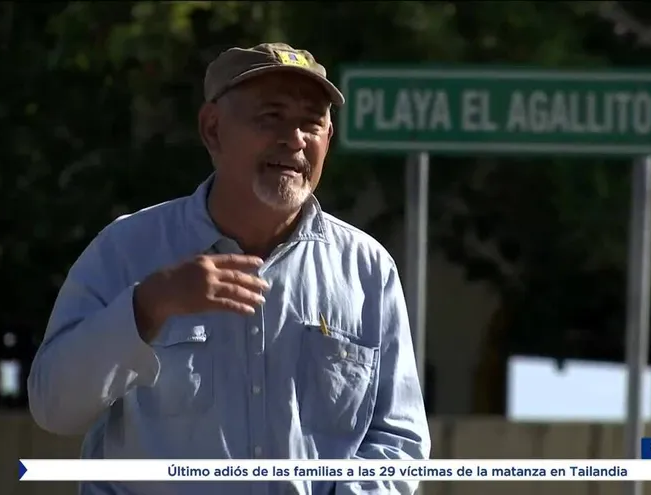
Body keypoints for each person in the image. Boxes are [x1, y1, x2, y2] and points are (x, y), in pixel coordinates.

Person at [27, 42, 431, 495]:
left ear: (328, 139)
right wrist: (147, 306)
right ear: (213, 129)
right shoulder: (126, 249)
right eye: (271, 116)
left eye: (311, 121)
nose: (294, 138)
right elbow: (53, 408)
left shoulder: (366, 270)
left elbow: (400, 440)